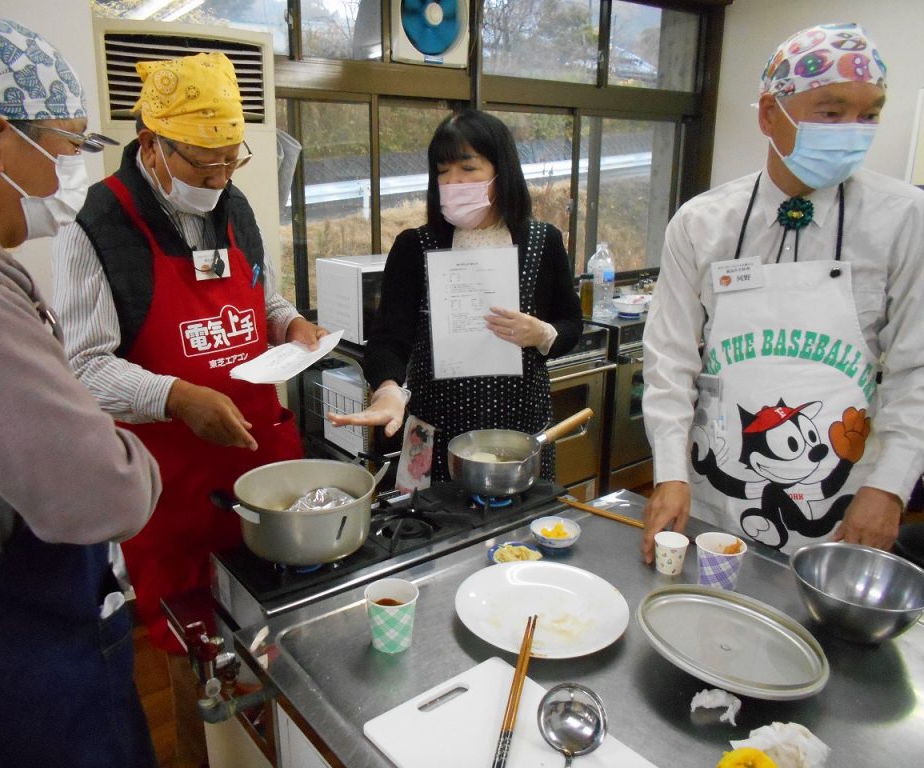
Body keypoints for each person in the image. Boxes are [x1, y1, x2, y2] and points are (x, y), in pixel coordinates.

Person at [0, 12, 161, 767]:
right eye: (65, 146)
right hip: (0, 659)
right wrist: (134, 441)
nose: (68, 172)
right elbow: (101, 492)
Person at [52, 51, 326, 655]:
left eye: (232, 161)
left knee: (283, 628)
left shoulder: (236, 206)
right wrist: (174, 397)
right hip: (173, 482)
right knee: (199, 645)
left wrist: (292, 325)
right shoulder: (93, 226)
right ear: (153, 145)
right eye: (205, 164)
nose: (220, 179)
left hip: (261, 463)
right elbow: (83, 368)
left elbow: (265, 300)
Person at [641, 22, 924, 563]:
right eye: (831, 112)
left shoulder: (905, 220)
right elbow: (670, 362)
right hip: (712, 490)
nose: (854, 131)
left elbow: (918, 369)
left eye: (870, 115)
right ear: (771, 113)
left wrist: (890, 486)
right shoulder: (702, 223)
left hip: (843, 497)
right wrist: (669, 473)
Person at [329, 109, 582, 481]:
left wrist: (545, 334)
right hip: (435, 433)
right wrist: (386, 387)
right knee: (432, 534)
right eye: (442, 171)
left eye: (468, 169)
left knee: (517, 536)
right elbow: (388, 339)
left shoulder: (543, 242)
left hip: (520, 434)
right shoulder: (415, 246)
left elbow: (571, 323)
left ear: (501, 170)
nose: (453, 182)